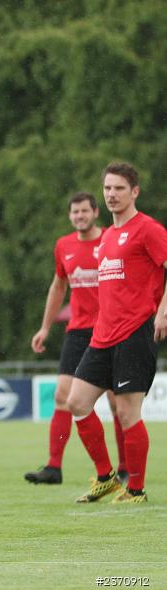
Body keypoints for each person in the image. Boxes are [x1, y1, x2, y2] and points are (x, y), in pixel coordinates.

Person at [66, 162, 167, 504]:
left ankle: (135, 489)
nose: (111, 194)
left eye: (119, 188)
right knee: (76, 402)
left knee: (127, 414)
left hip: (134, 333)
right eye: (107, 188)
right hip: (102, 335)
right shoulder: (107, 235)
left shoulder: (148, 229)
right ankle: (106, 476)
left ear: (134, 192)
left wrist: (163, 310)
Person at [26, 193, 123, 485]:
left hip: (111, 328)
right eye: (75, 212)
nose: (79, 216)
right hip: (78, 331)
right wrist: (45, 327)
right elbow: (58, 287)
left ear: (95, 212)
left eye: (84, 211)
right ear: (70, 216)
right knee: (62, 396)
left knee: (117, 403)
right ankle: (54, 467)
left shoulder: (111, 240)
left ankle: (126, 467)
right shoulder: (63, 245)